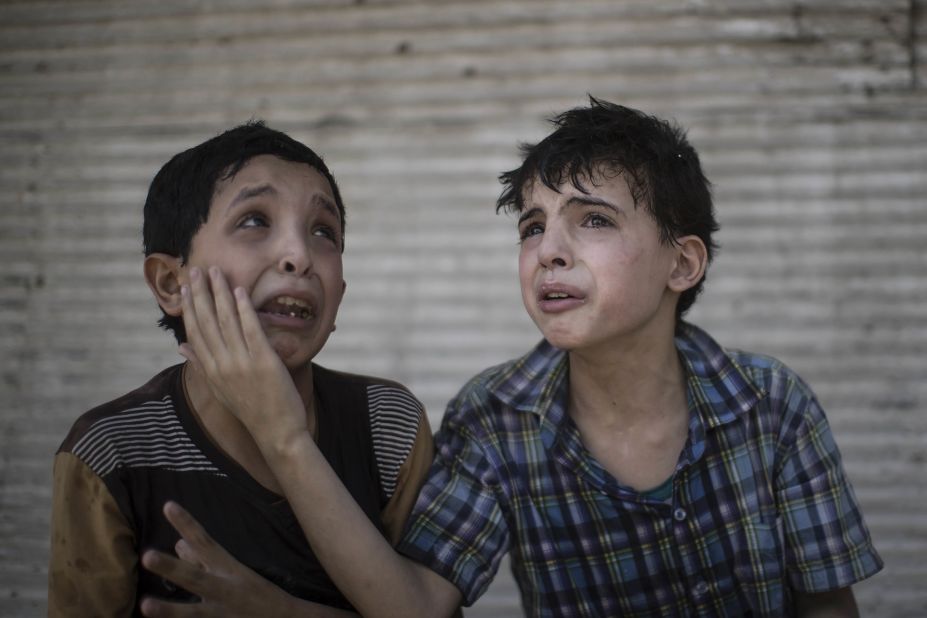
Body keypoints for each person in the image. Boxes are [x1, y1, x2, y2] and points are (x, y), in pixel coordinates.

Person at [141, 98, 883, 617]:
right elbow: (416, 604)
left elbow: (826, 601)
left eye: (591, 220)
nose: (549, 250)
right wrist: (282, 433)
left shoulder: (770, 403)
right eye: (532, 227)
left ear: (679, 265)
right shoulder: (493, 420)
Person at [47, 122, 435, 616]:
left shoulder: (388, 424)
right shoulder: (111, 451)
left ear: (341, 292)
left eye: (324, 231)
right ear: (170, 283)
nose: (299, 256)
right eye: (254, 220)